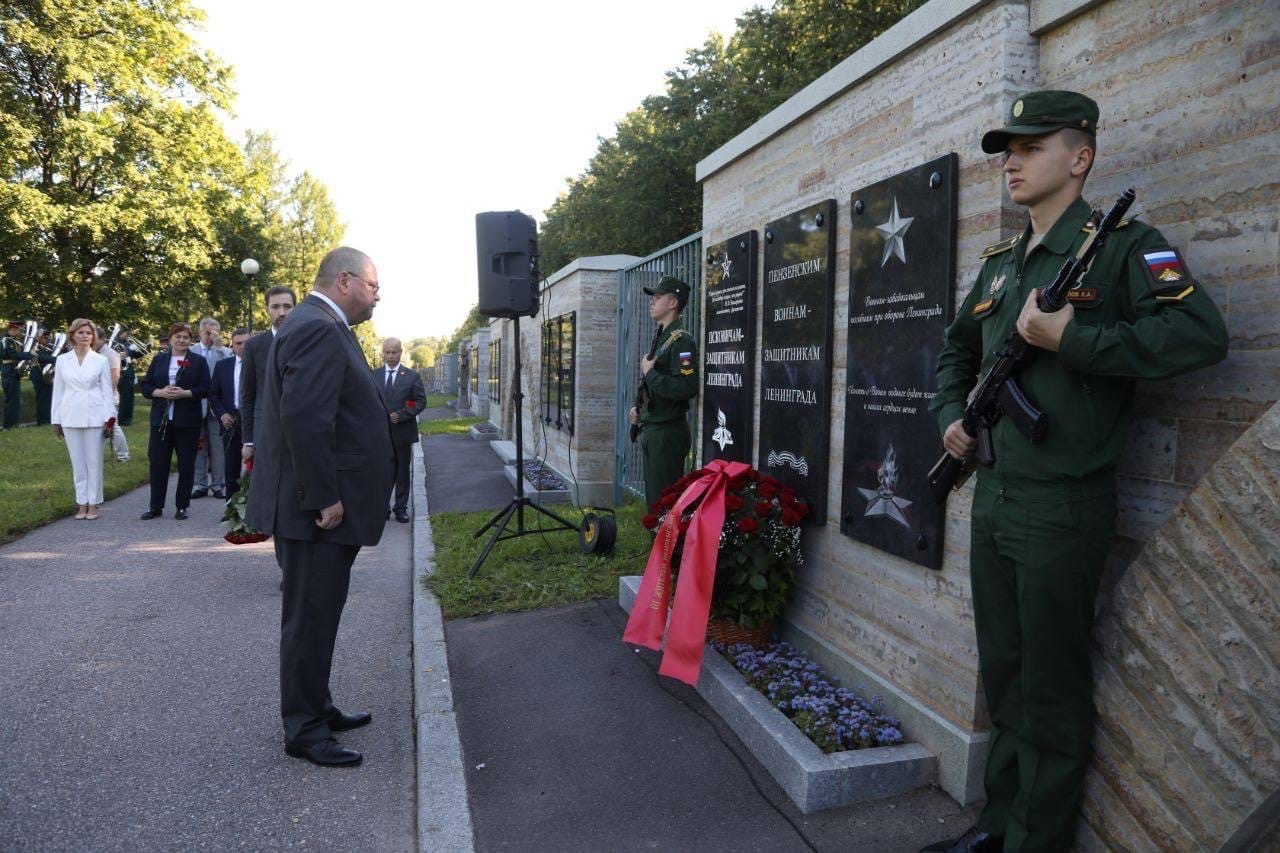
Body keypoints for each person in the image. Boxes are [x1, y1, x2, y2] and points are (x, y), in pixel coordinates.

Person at [922, 91, 1228, 853]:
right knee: (1005, 678)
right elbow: (956, 350)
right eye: (1007, 148)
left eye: (1030, 146)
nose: (1011, 161)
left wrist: (1073, 337)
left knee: (1051, 691)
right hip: (995, 495)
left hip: (1064, 507)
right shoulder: (1002, 263)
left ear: (1080, 157)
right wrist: (952, 419)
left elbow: (1200, 333)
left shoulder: (1125, 246)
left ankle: (1036, 840)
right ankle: (996, 825)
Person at [246, 247, 393, 768]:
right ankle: (304, 730)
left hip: (324, 507)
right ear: (346, 281)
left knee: (320, 614)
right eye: (374, 286)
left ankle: (317, 706)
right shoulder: (316, 327)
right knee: (309, 618)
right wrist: (324, 497)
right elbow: (305, 420)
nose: (379, 295)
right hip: (318, 511)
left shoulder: (320, 324)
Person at [627, 275, 698, 506]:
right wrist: (640, 409)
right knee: (655, 501)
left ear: (673, 303)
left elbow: (686, 387)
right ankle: (657, 542)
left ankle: (668, 543)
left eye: (658, 297)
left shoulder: (682, 341)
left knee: (665, 503)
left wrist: (651, 373)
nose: (652, 301)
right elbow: (656, 388)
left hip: (667, 433)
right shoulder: (662, 338)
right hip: (654, 427)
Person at [139, 323, 211, 521]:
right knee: (158, 463)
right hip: (160, 421)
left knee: (186, 464)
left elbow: (205, 388)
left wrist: (185, 393)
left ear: (191, 340)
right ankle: (155, 506)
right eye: (178, 337)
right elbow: (145, 385)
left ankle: (182, 506)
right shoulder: (159, 360)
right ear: (170, 339)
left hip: (187, 421)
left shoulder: (198, 361)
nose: (181, 340)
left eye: (186, 337)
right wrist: (160, 392)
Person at [50, 319, 116, 520]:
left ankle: (94, 503)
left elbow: (107, 391)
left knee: (93, 461)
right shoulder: (62, 360)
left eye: (88, 333)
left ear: (93, 337)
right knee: (78, 463)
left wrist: (110, 418)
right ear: (73, 336)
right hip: (69, 415)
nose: (85, 336)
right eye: (81, 332)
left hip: (95, 415)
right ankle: (82, 503)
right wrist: (56, 419)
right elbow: (58, 391)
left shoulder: (101, 360)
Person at [239, 285, 297, 470]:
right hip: (264, 432)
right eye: (276, 307)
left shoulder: (307, 341)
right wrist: (248, 441)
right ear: (267, 310)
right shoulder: (254, 346)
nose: (282, 312)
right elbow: (248, 394)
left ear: (295, 308)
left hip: (299, 431)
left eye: (287, 307)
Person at [373, 337, 426, 523]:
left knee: (402, 473)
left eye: (394, 352)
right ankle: (382, 508)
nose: (390, 356)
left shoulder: (412, 376)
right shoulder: (374, 375)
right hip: (379, 435)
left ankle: (401, 509)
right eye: (387, 352)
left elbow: (420, 402)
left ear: (401, 352)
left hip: (402, 434)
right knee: (381, 473)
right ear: (383, 352)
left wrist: (403, 414)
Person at [191, 318, 231, 499]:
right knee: (198, 446)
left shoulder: (224, 351)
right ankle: (199, 484)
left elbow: (231, 367)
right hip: (196, 405)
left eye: (214, 333)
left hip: (217, 407)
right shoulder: (191, 351)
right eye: (207, 333)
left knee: (217, 447)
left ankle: (217, 484)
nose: (210, 337)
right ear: (200, 333)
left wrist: (219, 346)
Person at [209, 327, 250, 498]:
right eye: (238, 343)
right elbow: (213, 394)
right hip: (230, 420)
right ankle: (231, 508)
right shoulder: (222, 366)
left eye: (247, 343)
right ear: (232, 346)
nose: (243, 347)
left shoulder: (264, 364)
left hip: (254, 420)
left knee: (255, 466)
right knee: (231, 467)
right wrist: (222, 414)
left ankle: (255, 509)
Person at [95, 325, 130, 462]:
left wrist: (106, 398)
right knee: (99, 428)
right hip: (96, 398)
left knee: (112, 427)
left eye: (95, 339)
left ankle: (123, 456)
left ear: (103, 339)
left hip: (109, 398)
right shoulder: (93, 354)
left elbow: (114, 378)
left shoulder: (110, 354)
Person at [1, 319, 34, 429]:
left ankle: (13, 425)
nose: (22, 332)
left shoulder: (13, 340)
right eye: (20, 330)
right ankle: (9, 426)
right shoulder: (6, 340)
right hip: (9, 371)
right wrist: (30, 354)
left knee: (14, 400)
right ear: (13, 329)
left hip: (13, 371)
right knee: (11, 401)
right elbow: (13, 355)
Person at [117, 325, 144, 426]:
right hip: (121, 373)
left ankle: (127, 419)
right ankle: (121, 420)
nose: (129, 336)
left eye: (130, 334)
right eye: (127, 333)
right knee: (123, 398)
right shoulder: (115, 343)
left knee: (129, 398)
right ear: (121, 332)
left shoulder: (128, 344)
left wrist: (146, 348)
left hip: (130, 373)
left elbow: (138, 355)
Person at [31, 327, 55, 425]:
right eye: (46, 338)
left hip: (46, 374)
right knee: (42, 398)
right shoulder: (35, 346)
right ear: (40, 338)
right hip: (38, 373)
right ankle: (42, 421)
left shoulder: (47, 348)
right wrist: (57, 359)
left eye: (49, 339)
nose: (48, 341)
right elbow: (41, 357)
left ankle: (48, 419)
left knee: (48, 397)